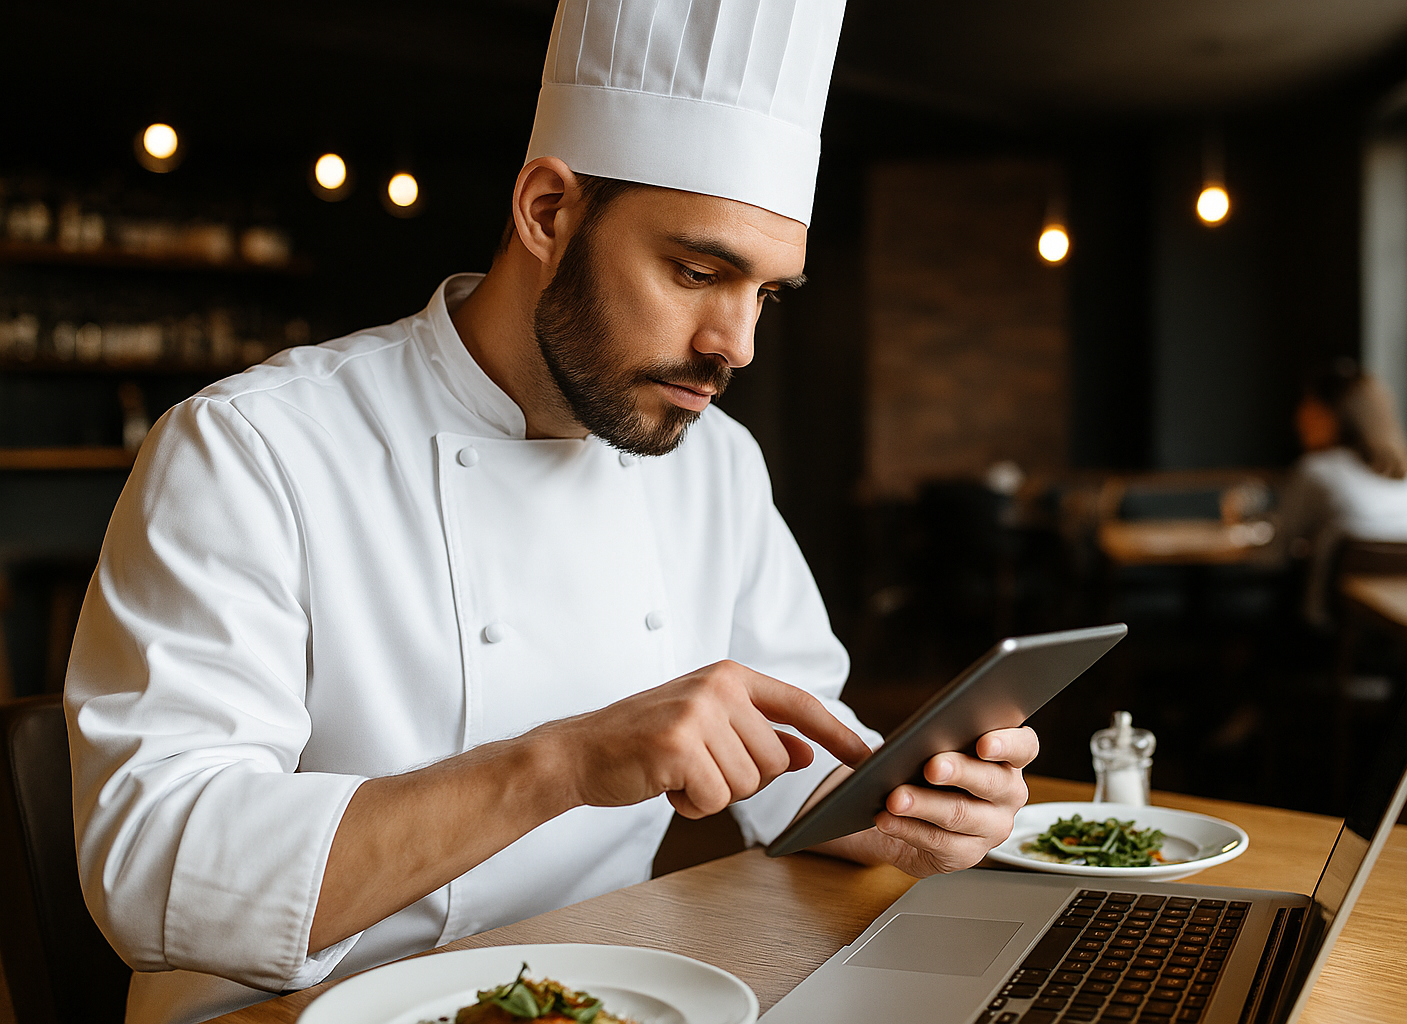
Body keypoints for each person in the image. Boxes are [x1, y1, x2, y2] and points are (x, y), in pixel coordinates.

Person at [64, 3, 1039, 1022]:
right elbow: (154, 869)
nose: (736, 343)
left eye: (766, 294)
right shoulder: (251, 448)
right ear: (545, 211)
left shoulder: (718, 469)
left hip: (599, 993)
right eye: (697, 272)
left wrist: (906, 807)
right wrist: (563, 761)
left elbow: (793, 760)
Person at [1272, 360, 1407, 625]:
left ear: (1332, 413)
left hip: (1330, 627)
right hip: (1406, 624)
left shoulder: (1315, 470)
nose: (1298, 417)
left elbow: (1273, 557)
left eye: (1308, 406)